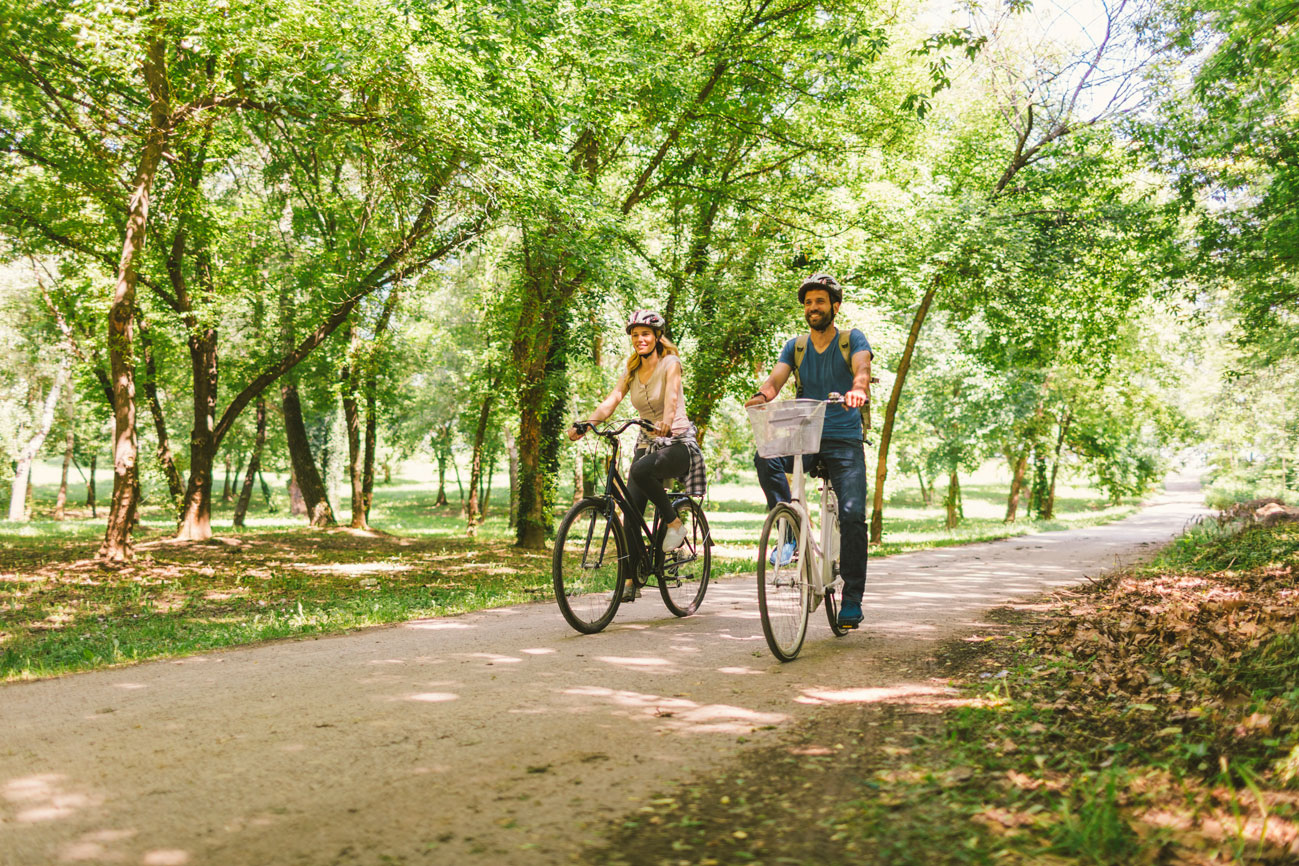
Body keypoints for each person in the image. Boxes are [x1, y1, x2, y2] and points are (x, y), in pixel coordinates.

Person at [743, 273, 872, 628]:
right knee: (765, 455)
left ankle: (852, 599)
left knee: (852, 516)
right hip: (805, 437)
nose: (813, 308)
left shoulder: (851, 339)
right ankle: (789, 531)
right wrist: (762, 396)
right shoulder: (795, 346)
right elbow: (775, 380)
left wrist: (858, 389)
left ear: (835, 306)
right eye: (808, 302)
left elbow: (862, 368)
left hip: (844, 440)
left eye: (819, 301)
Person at [570, 310, 703, 600]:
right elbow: (612, 401)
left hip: (677, 443)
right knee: (629, 514)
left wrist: (667, 422)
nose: (640, 339)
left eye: (645, 334)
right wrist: (587, 424)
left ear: (656, 337)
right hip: (646, 445)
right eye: (635, 335)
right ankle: (631, 581)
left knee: (641, 471)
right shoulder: (631, 372)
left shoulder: (671, 363)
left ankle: (674, 524)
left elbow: (671, 397)